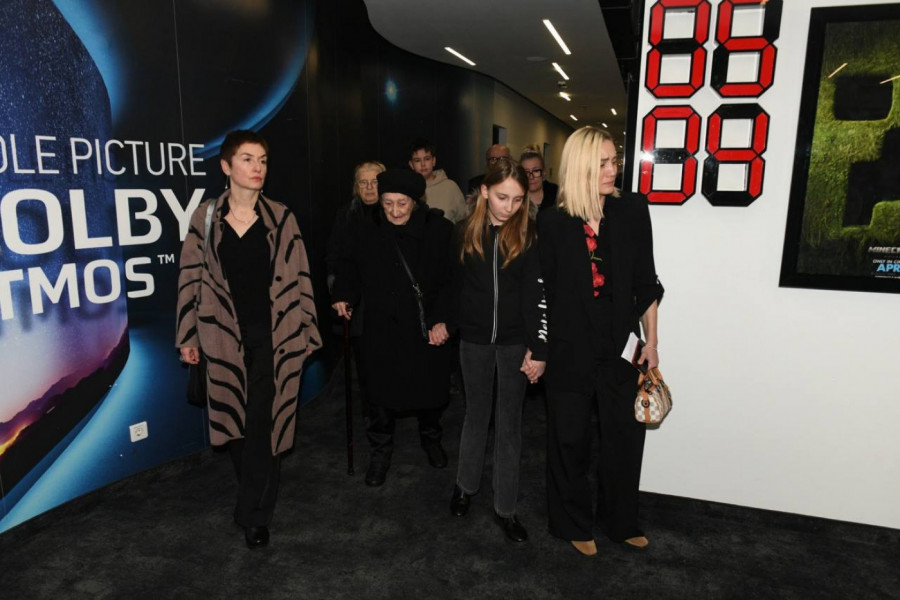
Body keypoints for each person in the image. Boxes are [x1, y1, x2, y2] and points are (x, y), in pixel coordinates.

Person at [175, 130, 321, 549]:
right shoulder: (205, 217)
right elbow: (189, 278)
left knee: (265, 423)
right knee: (236, 425)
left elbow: (302, 276)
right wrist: (187, 335)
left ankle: (254, 514)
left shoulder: (282, 217)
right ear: (226, 166)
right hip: (221, 338)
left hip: (276, 337)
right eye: (247, 159)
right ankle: (254, 494)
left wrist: (308, 329)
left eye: (263, 160)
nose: (258, 168)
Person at [536, 126, 663, 556]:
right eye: (603, 163)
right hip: (569, 347)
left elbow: (646, 282)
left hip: (620, 345)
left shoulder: (632, 211)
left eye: (614, 161)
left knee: (624, 436)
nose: (613, 170)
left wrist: (652, 342)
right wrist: (540, 348)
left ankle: (620, 521)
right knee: (568, 439)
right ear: (580, 168)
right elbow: (543, 292)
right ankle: (572, 523)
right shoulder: (552, 221)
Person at [331, 169, 454, 487]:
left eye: (402, 203)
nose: (395, 211)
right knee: (379, 393)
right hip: (381, 327)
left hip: (425, 326)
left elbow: (451, 280)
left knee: (429, 389)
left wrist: (443, 319)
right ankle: (380, 452)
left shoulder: (439, 230)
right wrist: (343, 294)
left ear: (415, 201)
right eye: (387, 204)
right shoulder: (365, 228)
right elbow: (347, 265)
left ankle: (431, 438)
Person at [449, 158, 547, 543]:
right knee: (475, 415)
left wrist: (539, 348)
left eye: (518, 199)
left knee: (509, 424)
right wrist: (446, 322)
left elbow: (538, 296)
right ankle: (464, 486)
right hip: (473, 341)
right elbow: (451, 286)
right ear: (485, 191)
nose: (510, 207)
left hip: (514, 343)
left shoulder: (529, 235)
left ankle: (506, 508)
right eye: (502, 197)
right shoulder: (462, 232)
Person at [325, 161, 385, 466]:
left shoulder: (395, 211)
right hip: (360, 313)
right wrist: (339, 294)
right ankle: (378, 441)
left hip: (391, 311)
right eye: (364, 182)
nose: (370, 187)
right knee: (369, 379)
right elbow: (334, 260)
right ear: (356, 186)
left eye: (375, 181)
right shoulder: (345, 216)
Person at [409, 138, 468, 223]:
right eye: (417, 160)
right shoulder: (407, 190)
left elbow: (465, 222)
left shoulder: (450, 187)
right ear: (411, 164)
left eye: (427, 159)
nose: (423, 164)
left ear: (433, 161)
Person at [520, 144, 558, 217]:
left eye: (536, 171)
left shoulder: (558, 196)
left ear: (544, 173)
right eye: (526, 172)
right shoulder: (516, 201)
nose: (531, 177)